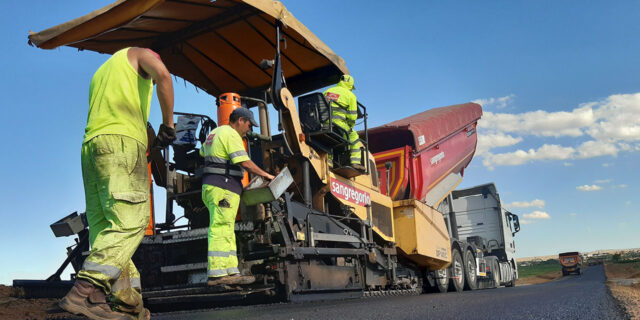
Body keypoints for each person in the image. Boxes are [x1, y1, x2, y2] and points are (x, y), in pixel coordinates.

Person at [59, 47, 176, 320]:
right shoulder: (143, 54)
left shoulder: (103, 72)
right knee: (132, 221)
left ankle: (123, 300)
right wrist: (168, 126)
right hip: (122, 143)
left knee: (106, 228)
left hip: (92, 148)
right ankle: (83, 291)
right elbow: (164, 77)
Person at [200, 107, 274, 285]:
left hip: (212, 187)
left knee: (226, 228)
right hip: (223, 187)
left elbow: (203, 152)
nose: (249, 129)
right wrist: (266, 175)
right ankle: (217, 274)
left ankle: (231, 271)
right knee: (220, 228)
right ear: (240, 120)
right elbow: (244, 162)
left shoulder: (214, 133)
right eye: (249, 125)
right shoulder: (231, 134)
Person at [323, 74, 364, 169]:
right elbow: (352, 117)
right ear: (350, 85)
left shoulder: (327, 91)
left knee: (329, 139)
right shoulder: (351, 96)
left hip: (324, 123)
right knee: (354, 137)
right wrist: (350, 126)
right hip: (339, 125)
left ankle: (329, 162)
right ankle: (355, 162)